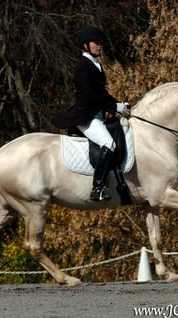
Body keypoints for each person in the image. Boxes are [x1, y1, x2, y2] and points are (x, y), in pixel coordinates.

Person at [52, 25, 129, 201]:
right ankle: (98, 188)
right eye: (96, 43)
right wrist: (115, 107)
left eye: (101, 43)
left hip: (96, 115)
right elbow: (91, 96)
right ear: (86, 45)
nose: (100, 46)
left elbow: (101, 94)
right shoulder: (82, 66)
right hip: (86, 117)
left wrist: (119, 105)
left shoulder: (95, 65)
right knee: (108, 144)